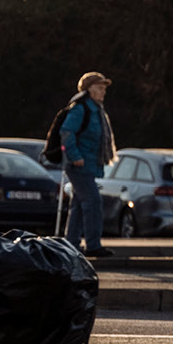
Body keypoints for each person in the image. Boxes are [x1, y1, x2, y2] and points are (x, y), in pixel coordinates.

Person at [59, 72, 115, 259]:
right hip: (78, 165)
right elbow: (66, 132)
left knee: (79, 204)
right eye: (99, 88)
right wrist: (75, 156)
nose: (103, 92)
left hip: (87, 165)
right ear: (88, 89)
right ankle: (93, 245)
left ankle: (71, 245)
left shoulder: (95, 109)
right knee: (93, 201)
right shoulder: (81, 108)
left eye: (104, 88)